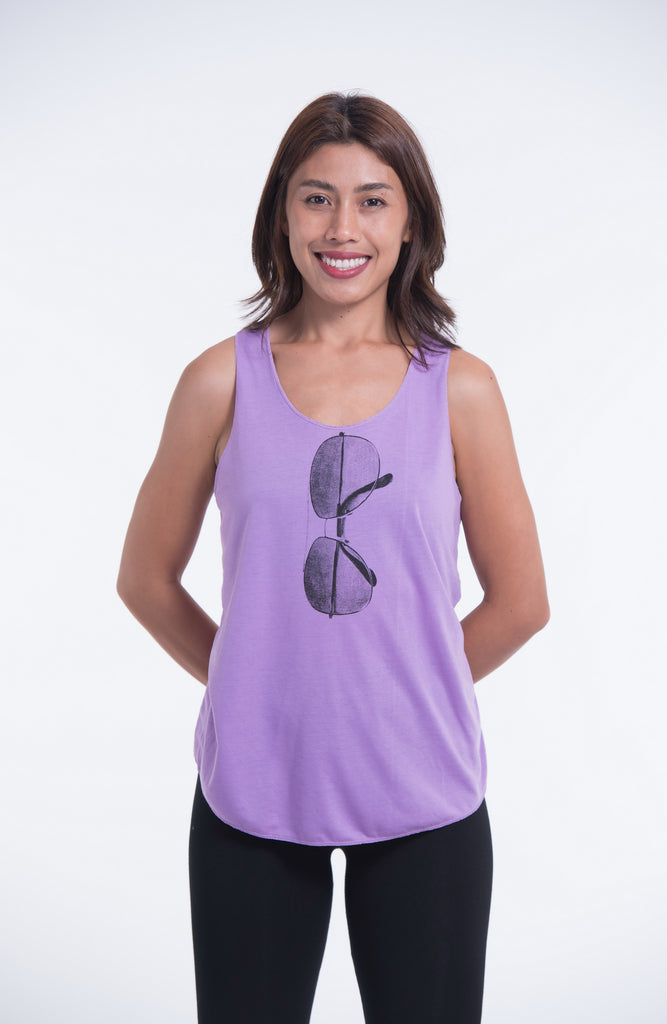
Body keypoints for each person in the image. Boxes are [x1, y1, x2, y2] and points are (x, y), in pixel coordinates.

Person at [117, 91, 549, 1024]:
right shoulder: (219, 381)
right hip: (254, 791)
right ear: (282, 213)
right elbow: (144, 579)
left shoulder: (463, 389)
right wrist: (253, 681)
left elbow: (522, 601)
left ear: (411, 222)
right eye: (316, 198)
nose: (342, 228)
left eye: (372, 200)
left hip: (426, 790)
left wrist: (399, 687)